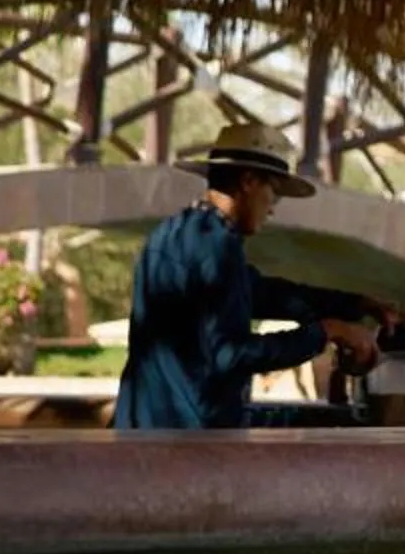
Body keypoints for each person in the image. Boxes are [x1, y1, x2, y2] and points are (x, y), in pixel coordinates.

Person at [114, 123, 390, 431]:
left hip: (142, 428)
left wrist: (356, 306)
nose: (273, 209)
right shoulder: (215, 247)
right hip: (185, 445)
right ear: (248, 181)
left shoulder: (179, 232)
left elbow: (260, 293)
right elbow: (230, 355)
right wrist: (327, 332)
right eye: (274, 192)